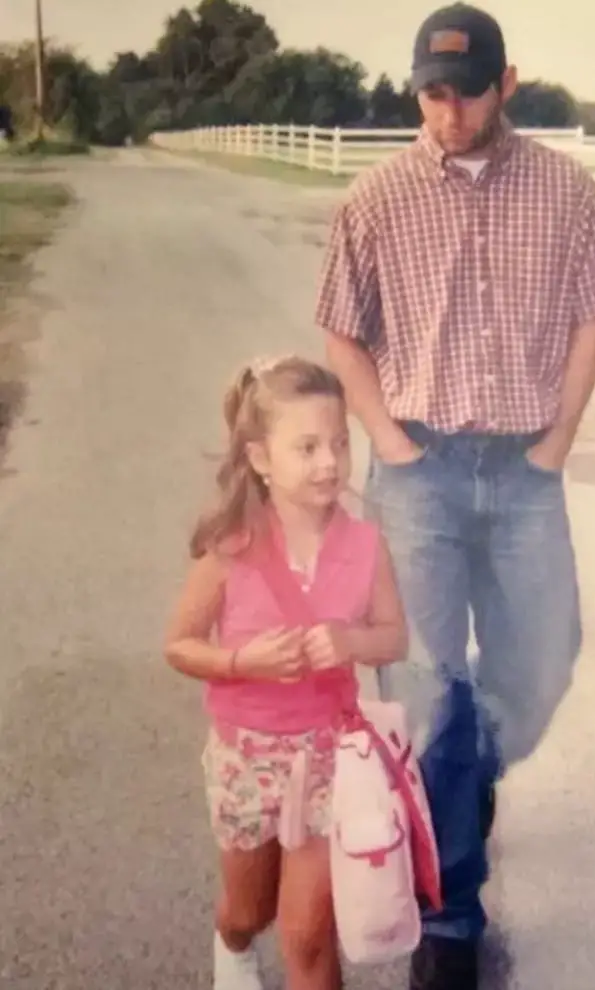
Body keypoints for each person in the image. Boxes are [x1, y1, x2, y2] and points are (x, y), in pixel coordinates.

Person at [314, 3, 595, 988]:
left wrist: (555, 447)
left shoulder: (564, 189)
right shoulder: (373, 198)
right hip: (419, 471)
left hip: (522, 469)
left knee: (537, 668)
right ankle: (449, 917)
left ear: (507, 83)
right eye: (432, 92)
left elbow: (593, 317)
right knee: (424, 685)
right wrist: (388, 441)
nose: (448, 110)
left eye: (466, 90)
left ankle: (461, 785)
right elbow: (341, 330)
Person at [163, 355, 408, 990]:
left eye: (338, 443)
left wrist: (351, 640)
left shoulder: (365, 542)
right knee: (250, 908)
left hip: (332, 758)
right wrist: (242, 662)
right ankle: (233, 945)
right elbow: (180, 644)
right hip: (246, 759)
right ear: (262, 459)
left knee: (307, 936)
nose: (329, 461)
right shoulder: (231, 546)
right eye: (307, 447)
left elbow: (394, 639)